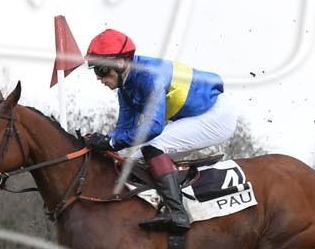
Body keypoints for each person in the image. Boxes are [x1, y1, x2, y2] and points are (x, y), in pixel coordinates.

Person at [81, 28, 236, 233]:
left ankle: (178, 213)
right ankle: (164, 205)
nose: (98, 78)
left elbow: (153, 127)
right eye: (94, 70)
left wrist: (111, 142)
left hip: (216, 115)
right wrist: (104, 140)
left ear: (121, 63)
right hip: (196, 116)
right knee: (133, 162)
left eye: (102, 70)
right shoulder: (125, 87)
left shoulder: (149, 75)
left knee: (153, 147)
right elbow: (125, 128)